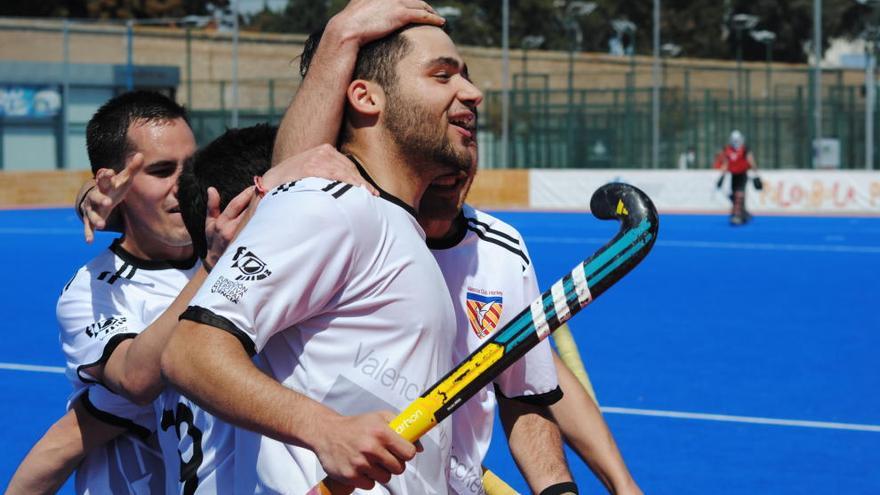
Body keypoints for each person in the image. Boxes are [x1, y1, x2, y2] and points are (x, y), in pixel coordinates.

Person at [159, 22, 483, 494]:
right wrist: (327, 430)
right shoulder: (331, 207)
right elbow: (190, 351)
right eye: (442, 75)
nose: (472, 92)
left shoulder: (394, 226)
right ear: (366, 97)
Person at [717, 130, 760, 225]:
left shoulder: (745, 149)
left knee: (739, 195)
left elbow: (751, 161)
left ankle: (738, 216)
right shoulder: (728, 150)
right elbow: (726, 164)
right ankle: (743, 212)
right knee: (732, 195)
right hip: (733, 175)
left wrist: (756, 175)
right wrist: (721, 178)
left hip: (742, 174)